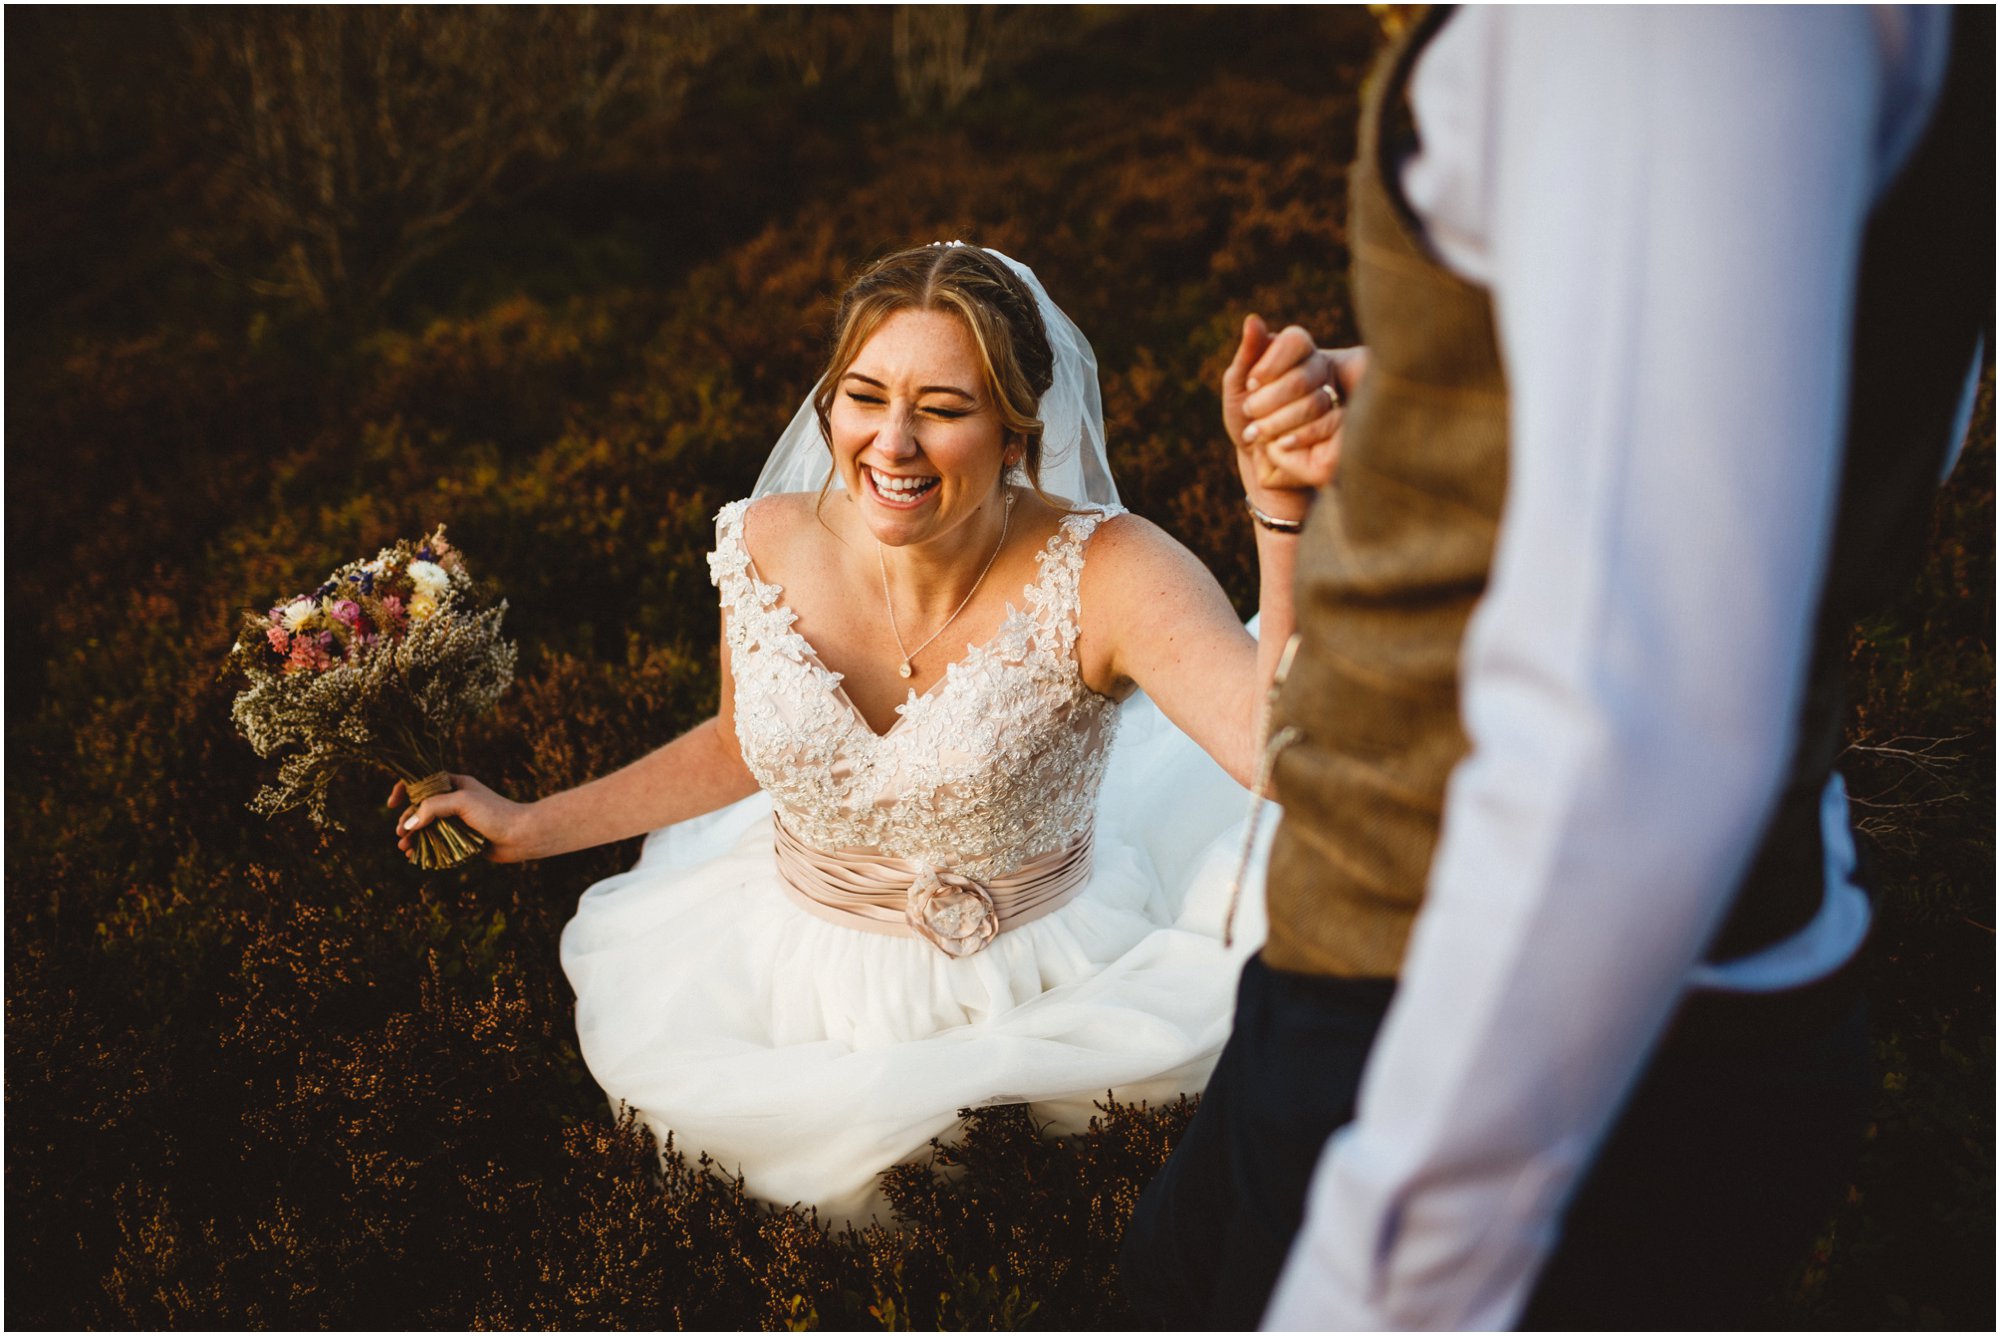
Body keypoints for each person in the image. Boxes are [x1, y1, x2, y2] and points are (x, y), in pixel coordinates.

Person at [1121, 5, 1989, 1330]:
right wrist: (1435, 411)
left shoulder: (1651, 29)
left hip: (1507, 1007)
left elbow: (1629, 733)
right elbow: (1824, 419)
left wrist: (1380, 1290)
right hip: (1404, 955)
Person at [390, 241, 1316, 1225]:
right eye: (864, 396)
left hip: (1041, 986)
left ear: (1013, 432)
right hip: (784, 977)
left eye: (944, 409)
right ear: (826, 403)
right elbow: (738, 746)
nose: (892, 444)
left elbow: (1274, 754)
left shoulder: (1112, 571)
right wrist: (528, 825)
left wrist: (1278, 514)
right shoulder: (762, 539)